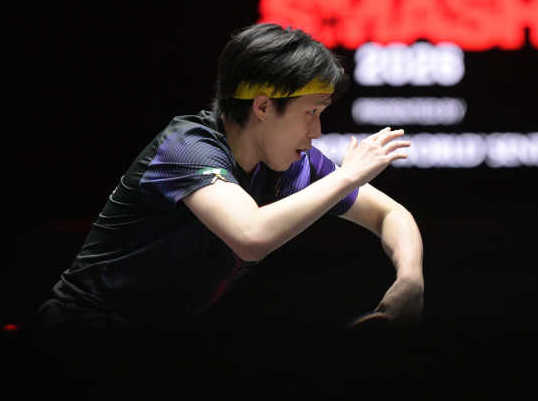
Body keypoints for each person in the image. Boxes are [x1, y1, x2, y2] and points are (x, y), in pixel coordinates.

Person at [34, 23, 424, 333]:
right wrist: (348, 176)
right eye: (311, 112)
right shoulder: (187, 147)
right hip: (79, 331)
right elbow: (251, 236)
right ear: (263, 107)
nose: (317, 132)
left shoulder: (292, 164)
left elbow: (390, 214)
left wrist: (409, 279)